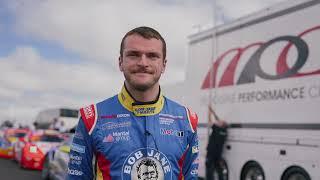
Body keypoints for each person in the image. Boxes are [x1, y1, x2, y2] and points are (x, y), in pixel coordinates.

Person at [67, 26, 199, 179]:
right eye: (134, 55)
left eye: (152, 56)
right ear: (120, 62)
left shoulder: (187, 120)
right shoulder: (92, 118)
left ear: (164, 65)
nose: (143, 63)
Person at [205, 104, 228, 180]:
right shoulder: (224, 131)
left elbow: (209, 121)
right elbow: (218, 120)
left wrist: (209, 112)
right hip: (218, 153)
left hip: (211, 152)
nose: (219, 121)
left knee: (209, 169)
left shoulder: (216, 129)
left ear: (221, 125)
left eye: (221, 122)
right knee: (219, 169)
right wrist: (213, 112)